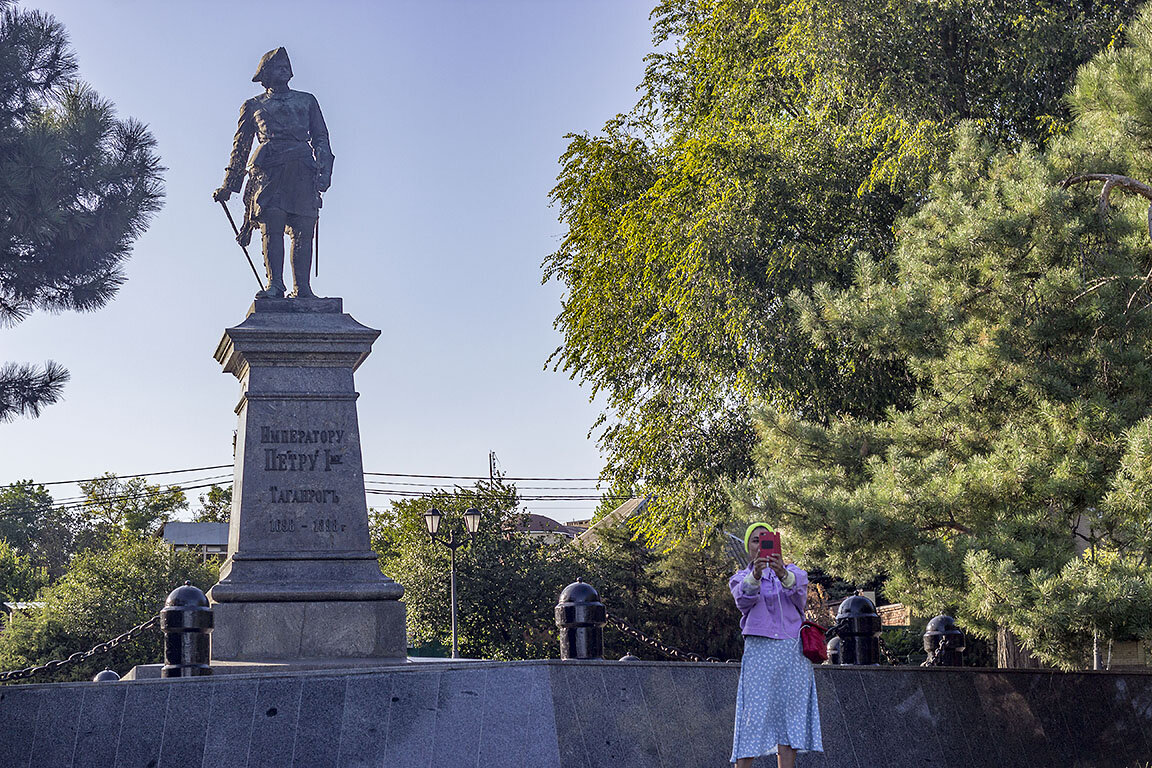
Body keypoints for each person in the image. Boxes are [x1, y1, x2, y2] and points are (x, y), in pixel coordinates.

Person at [213, 47, 334, 299]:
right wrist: (228, 184)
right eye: (277, 65)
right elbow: (241, 147)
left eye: (286, 64)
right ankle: (275, 285)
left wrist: (325, 170)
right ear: (265, 74)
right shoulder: (253, 106)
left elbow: (321, 137)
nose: (284, 67)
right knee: (273, 227)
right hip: (268, 174)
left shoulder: (307, 100)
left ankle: (303, 289)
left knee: (303, 229)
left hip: (302, 169)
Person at [729, 522, 822, 768]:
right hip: (760, 650)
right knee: (753, 716)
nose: (761, 544)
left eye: (765, 538)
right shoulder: (741, 577)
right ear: (748, 548)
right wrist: (757, 575)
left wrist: (781, 573)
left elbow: (799, 597)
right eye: (755, 540)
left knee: (789, 718)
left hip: (792, 650)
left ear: (776, 543)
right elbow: (743, 601)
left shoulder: (794, 572)